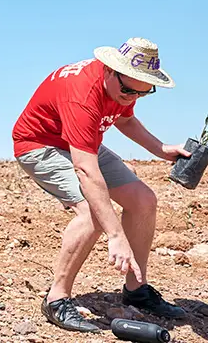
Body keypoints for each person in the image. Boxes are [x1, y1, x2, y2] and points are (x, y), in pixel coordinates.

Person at [12, 38, 190, 332]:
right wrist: (116, 235)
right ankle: (56, 299)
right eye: (128, 90)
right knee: (93, 212)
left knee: (143, 200)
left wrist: (161, 149)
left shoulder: (122, 85)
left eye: (142, 93)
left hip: (79, 143)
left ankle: (136, 291)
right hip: (38, 145)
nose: (131, 96)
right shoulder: (82, 94)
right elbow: (86, 170)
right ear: (110, 70)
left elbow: (126, 120)